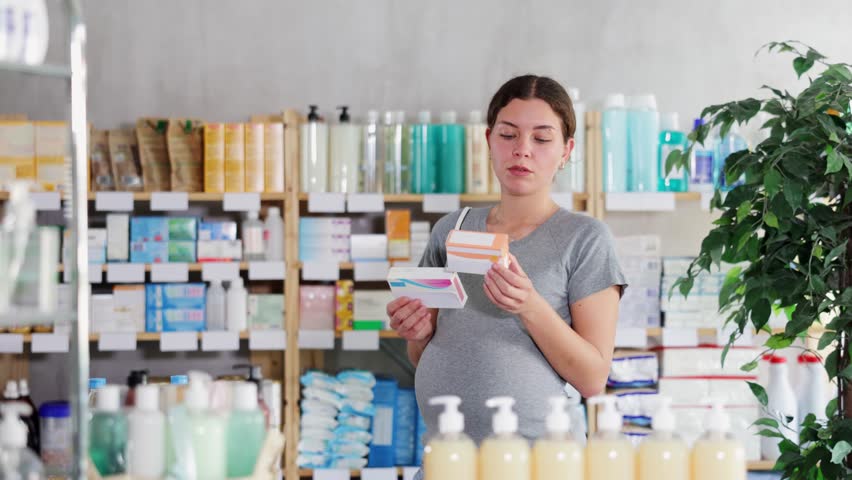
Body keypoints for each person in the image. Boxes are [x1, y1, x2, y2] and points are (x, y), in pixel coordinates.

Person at [386, 74, 627, 447]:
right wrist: (417, 333)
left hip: (540, 463)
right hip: (449, 457)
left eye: (542, 138)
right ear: (489, 140)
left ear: (566, 150)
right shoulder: (452, 229)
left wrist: (530, 306)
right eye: (508, 134)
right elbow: (423, 354)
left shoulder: (585, 239)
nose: (522, 150)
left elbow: (593, 379)